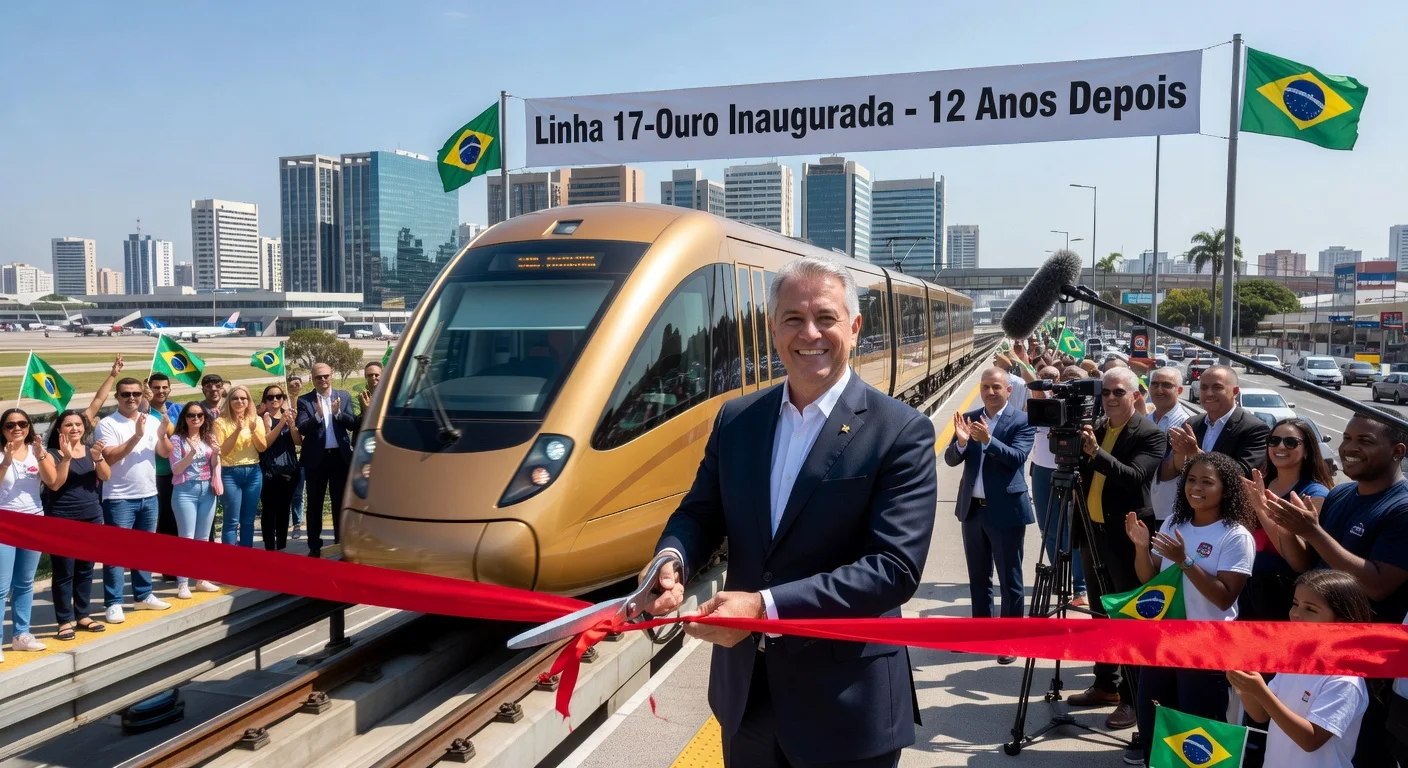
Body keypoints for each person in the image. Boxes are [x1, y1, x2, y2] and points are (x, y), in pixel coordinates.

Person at [644, 256, 937, 767]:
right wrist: (671, 559)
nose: (810, 334)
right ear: (772, 328)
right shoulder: (737, 420)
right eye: (793, 319)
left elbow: (893, 569)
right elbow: (700, 513)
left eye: (825, 317)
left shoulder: (900, 432)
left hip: (846, 706)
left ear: (854, 326)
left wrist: (763, 608)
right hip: (747, 700)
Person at [1266, 410, 1408, 768]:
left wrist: (1313, 531)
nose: (1349, 448)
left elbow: (1376, 586)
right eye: (1346, 438)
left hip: (1367, 665)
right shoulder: (1342, 494)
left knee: (1363, 752)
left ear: (1398, 451)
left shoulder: (1402, 507)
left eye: (1365, 441)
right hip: (1316, 651)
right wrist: (1286, 526)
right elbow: (1305, 566)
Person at [1126, 451, 1255, 766]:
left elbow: (1224, 598)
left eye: (1207, 482)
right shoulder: (1174, 522)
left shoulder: (1236, 536)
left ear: (1226, 489)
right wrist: (1141, 547)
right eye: (1192, 480)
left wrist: (1186, 560)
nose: (1196, 488)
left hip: (1206, 646)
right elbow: (1151, 579)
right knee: (1154, 714)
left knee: (1197, 727)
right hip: (1164, 641)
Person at [1066, 367, 1168, 732]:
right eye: (1106, 392)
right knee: (1099, 615)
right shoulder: (1097, 425)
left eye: (1118, 393)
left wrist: (1095, 452)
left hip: (1126, 540)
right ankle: (1105, 684)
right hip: (1092, 535)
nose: (1110, 398)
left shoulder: (1151, 434)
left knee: (1126, 617)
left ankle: (1131, 699)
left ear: (1136, 395)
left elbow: (1135, 477)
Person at [1228, 570, 1371, 768]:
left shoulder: (1346, 679)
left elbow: (1310, 740)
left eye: (1310, 609)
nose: (1296, 614)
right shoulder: (1294, 661)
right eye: (1295, 604)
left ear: (1341, 622)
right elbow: (1260, 715)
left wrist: (1260, 690)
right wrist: (1242, 682)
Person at [944, 367, 1035, 646]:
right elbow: (950, 459)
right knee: (978, 577)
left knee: (1010, 580)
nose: (990, 392)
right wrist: (960, 442)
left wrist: (988, 441)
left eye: (996, 387)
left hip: (1006, 511)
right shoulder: (969, 418)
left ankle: (1009, 640)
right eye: (985, 387)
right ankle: (981, 634)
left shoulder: (1022, 421)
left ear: (1009, 390)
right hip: (973, 510)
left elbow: (1017, 457)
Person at [1239, 419, 1334, 622]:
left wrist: (1261, 507)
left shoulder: (1314, 495)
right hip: (1246, 589)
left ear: (1307, 450)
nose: (1280, 446)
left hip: (1281, 597)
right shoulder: (1263, 484)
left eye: (1290, 442)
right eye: (1273, 440)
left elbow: (1298, 561)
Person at [97, 378, 173, 623]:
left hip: (149, 494)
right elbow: (109, 457)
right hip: (119, 497)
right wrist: (137, 436)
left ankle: (143, 595)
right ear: (117, 397)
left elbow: (164, 452)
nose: (132, 398)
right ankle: (114, 602)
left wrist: (162, 435)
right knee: (117, 553)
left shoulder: (150, 420)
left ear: (143, 395)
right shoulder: (108, 424)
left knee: (145, 549)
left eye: (136, 394)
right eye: (126, 394)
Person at [44, 409, 110, 640]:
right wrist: (66, 457)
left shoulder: (91, 450)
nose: (74, 429)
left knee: (86, 569)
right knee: (64, 572)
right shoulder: (51, 454)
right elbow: (54, 484)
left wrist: (98, 456)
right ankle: (64, 620)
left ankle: (83, 614)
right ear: (60, 429)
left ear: (85, 427)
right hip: (62, 519)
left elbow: (106, 476)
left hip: (91, 516)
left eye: (78, 424)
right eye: (68, 425)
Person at [1028, 365, 1087, 605]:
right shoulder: (1046, 406)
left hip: (1077, 471)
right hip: (1042, 471)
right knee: (1048, 529)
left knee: (1073, 533)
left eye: (1078, 382)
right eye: (1067, 380)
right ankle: (1056, 578)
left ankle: (1080, 587)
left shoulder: (1089, 411)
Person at [0, 408, 56, 656]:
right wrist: (6, 463)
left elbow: (53, 482)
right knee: (1, 586)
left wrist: (41, 456)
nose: (17, 428)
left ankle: (21, 634)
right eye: (10, 425)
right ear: (3, 429)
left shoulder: (36, 452)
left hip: (33, 521)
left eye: (22, 423)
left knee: (24, 583)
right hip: (5, 522)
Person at [1163, 365, 1269, 482]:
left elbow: (1243, 475)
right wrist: (1179, 454)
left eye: (1217, 387)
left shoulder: (1255, 429)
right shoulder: (1192, 424)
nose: (1209, 393)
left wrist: (1196, 454)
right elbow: (1177, 472)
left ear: (1235, 391)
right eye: (1204, 387)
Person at [159, 400, 222, 598]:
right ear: (184, 418)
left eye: (200, 415)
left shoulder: (208, 437)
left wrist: (216, 453)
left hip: (207, 490)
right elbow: (176, 468)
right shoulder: (177, 439)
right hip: (185, 490)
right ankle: (183, 583)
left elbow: (213, 464)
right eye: (191, 415)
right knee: (186, 538)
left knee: (203, 538)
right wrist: (191, 454)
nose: (196, 419)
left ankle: (201, 579)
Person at [296, 363, 356, 558]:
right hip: (316, 460)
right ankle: (314, 545)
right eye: (318, 377)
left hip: (339, 458)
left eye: (326, 376)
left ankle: (340, 543)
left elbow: (353, 423)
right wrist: (318, 416)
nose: (323, 380)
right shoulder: (305, 401)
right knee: (315, 504)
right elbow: (302, 428)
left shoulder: (343, 396)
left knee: (340, 503)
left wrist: (338, 413)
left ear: (332, 376)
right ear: (312, 379)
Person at [215, 385, 268, 547]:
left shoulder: (256, 420)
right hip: (230, 473)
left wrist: (252, 431)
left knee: (248, 520)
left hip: (253, 472)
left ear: (248, 401)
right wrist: (237, 430)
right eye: (235, 398)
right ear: (229, 401)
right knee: (231, 520)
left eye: (243, 398)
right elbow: (222, 451)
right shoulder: (220, 422)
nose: (239, 401)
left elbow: (262, 448)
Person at [258, 383, 301, 551]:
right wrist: (275, 424)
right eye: (270, 397)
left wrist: (291, 425)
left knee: (284, 512)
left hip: (289, 470)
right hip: (268, 471)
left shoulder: (288, 416)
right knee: (269, 511)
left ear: (283, 399)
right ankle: (270, 549)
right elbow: (266, 444)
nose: (274, 400)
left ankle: (282, 548)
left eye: (278, 396)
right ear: (265, 401)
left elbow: (298, 442)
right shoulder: (261, 419)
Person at [1147, 367, 1191, 525]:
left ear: (1179, 390)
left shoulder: (1187, 423)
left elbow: (1177, 468)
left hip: (1170, 511)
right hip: (1145, 507)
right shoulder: (1146, 420)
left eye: (1166, 385)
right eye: (1154, 384)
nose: (1159, 390)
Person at [144, 373, 183, 545]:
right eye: (156, 387)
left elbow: (182, 436)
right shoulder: (143, 412)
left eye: (164, 387)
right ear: (149, 389)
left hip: (175, 473)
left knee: (173, 519)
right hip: (153, 474)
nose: (161, 391)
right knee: (157, 521)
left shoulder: (177, 409)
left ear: (170, 389)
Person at [286, 374, 306, 540]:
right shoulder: (282, 405)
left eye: (297, 384)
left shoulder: (305, 404)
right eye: (291, 385)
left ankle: (297, 523)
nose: (294, 387)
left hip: (303, 456)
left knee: (298, 493)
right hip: (286, 456)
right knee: (285, 492)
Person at [353, 361, 382, 427]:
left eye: (376, 375)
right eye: (370, 375)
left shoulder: (389, 396)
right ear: (365, 377)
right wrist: (366, 409)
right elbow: (354, 424)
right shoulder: (359, 397)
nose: (373, 377)